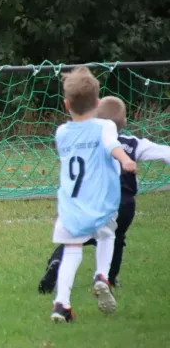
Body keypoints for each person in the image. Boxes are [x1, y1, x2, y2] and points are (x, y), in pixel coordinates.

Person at [38, 96, 170, 294]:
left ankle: (57, 261)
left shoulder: (87, 141)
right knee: (116, 237)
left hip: (92, 199)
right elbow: (163, 152)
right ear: (124, 122)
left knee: (75, 236)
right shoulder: (131, 143)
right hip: (124, 204)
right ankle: (109, 277)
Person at [47, 68, 137, 323]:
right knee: (108, 234)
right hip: (99, 202)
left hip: (71, 207)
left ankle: (61, 304)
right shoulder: (105, 126)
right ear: (98, 104)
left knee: (71, 251)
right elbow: (112, 145)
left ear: (66, 105)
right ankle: (101, 274)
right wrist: (125, 159)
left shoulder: (61, 133)